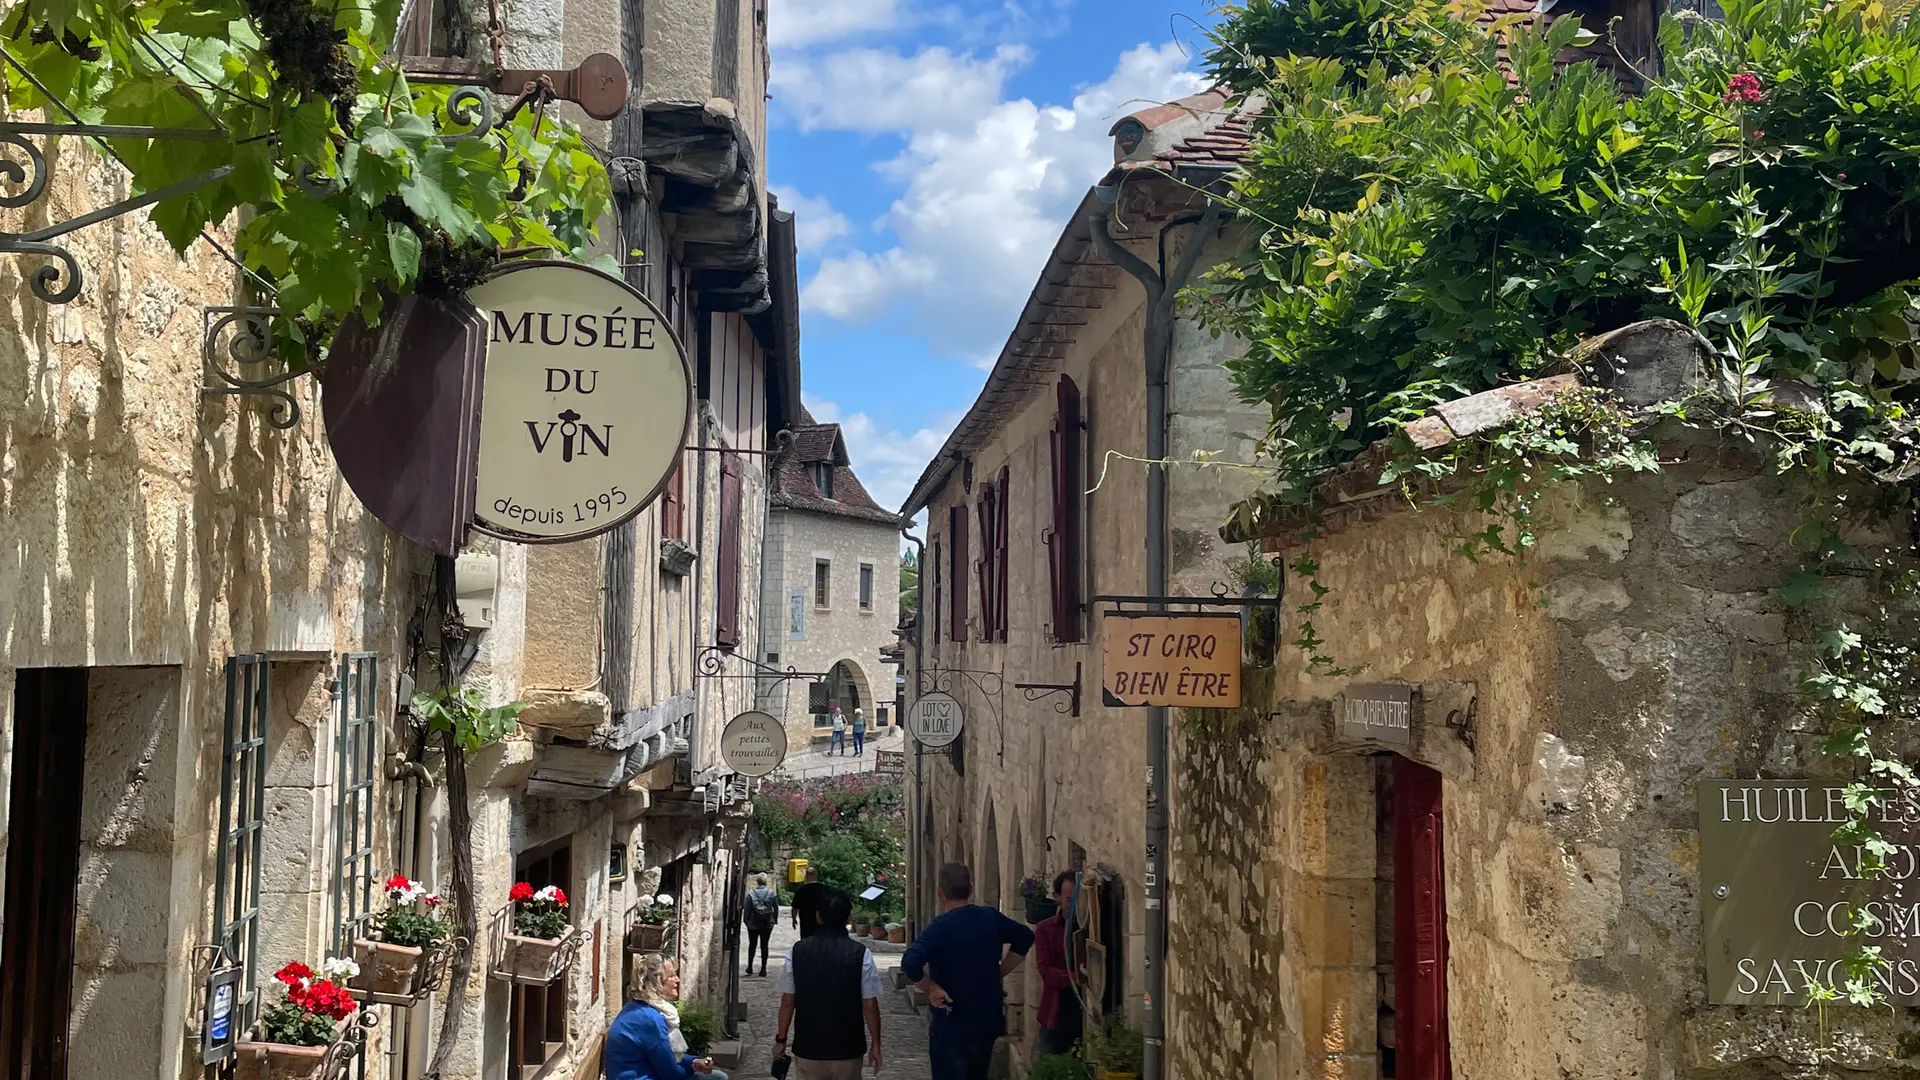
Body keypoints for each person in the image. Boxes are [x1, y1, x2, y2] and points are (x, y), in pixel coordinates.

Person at [902, 862, 1034, 1080]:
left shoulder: (940, 927)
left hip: (951, 1021)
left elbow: (910, 962)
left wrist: (931, 988)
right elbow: (1025, 937)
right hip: (985, 1020)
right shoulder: (990, 917)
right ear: (970, 888)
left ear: (940, 892)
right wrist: (1000, 972)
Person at [773, 890, 884, 1079]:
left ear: (818, 916)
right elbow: (870, 1005)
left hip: (809, 1046)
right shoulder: (860, 954)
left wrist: (781, 1040)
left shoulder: (797, 952)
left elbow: (787, 1002)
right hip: (848, 1048)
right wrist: (876, 1043)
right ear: (848, 917)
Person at [605, 956, 725, 1080]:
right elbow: (671, 1074)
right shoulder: (649, 1019)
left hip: (645, 1072)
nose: (677, 979)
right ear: (657, 983)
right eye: (672, 976)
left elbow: (667, 1055)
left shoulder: (640, 1007)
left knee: (717, 1077)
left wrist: (693, 1062)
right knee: (718, 1078)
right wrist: (691, 1067)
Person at [1032, 871, 1082, 1056]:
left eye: (1078, 900)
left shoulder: (1089, 928)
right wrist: (1073, 978)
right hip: (1055, 1015)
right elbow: (1045, 970)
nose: (1075, 906)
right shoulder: (1045, 929)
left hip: (1082, 1018)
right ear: (1057, 898)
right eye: (1070, 899)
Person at [744, 873, 780, 977]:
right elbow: (776, 907)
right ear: (766, 882)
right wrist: (775, 920)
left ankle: (750, 967)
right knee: (764, 945)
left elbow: (747, 910)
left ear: (757, 882)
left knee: (752, 945)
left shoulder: (751, 893)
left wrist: (747, 922)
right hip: (767, 923)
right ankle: (763, 969)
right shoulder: (771, 893)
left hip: (753, 923)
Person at [791, 866, 829, 939]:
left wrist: (794, 918)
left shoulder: (800, 891)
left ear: (806, 876)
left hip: (806, 922)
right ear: (817, 876)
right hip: (822, 921)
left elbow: (795, 907)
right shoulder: (825, 890)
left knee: (806, 943)